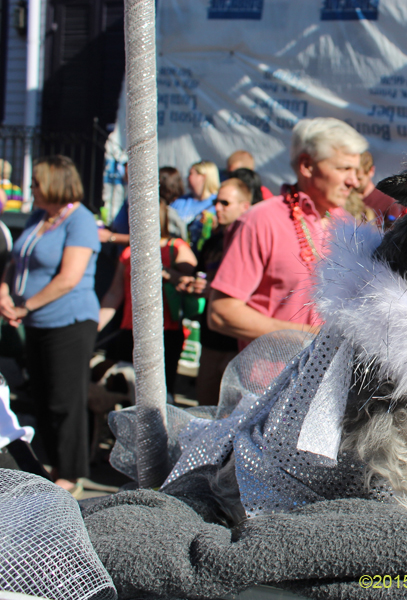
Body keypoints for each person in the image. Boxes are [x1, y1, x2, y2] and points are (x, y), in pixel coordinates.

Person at [208, 117, 366, 347]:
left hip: (333, 370)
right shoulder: (260, 221)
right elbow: (222, 312)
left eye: (355, 170)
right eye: (343, 168)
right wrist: (309, 337)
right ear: (306, 165)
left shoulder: (349, 225)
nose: (353, 181)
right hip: (273, 369)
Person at [0, 155, 99, 495]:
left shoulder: (80, 220)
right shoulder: (39, 216)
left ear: (56, 184)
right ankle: (53, 464)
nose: (31, 189)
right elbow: (16, 261)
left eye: (37, 183)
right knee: (41, 397)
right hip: (35, 322)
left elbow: (68, 278)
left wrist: (24, 306)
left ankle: (70, 473)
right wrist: (5, 291)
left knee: (64, 400)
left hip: (68, 322)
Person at [98, 193, 198, 393]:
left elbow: (192, 281)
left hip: (164, 332)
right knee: (124, 391)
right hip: (130, 330)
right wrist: (95, 325)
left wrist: (165, 272)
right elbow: (114, 294)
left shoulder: (176, 247)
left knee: (160, 393)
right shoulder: (129, 252)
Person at [180, 179, 252, 405]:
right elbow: (201, 276)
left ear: (245, 206)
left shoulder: (252, 243)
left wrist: (215, 290)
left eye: (225, 203)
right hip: (210, 340)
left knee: (236, 412)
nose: (217, 208)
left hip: (240, 345)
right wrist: (194, 286)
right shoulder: (212, 242)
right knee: (206, 407)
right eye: (216, 202)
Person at [353, 151, 407, 227]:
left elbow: (395, 230)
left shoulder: (388, 202)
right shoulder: (346, 198)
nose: (355, 183)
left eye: (359, 179)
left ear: (371, 171)